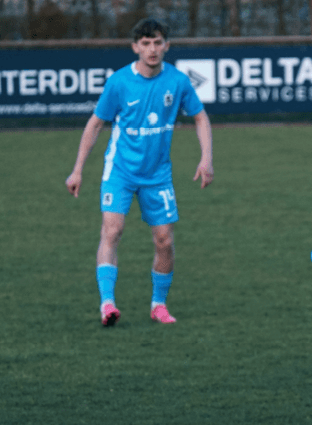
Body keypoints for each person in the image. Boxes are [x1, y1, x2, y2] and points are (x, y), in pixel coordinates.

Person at [65, 17, 213, 326]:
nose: (152, 49)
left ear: (167, 46)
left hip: (157, 175)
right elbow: (95, 124)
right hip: (119, 171)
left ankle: (158, 305)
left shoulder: (178, 81)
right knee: (112, 230)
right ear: (135, 48)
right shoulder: (119, 82)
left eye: (158, 42)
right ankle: (107, 304)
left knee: (164, 242)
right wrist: (77, 169)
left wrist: (206, 158)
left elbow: (200, 117)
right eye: (145, 43)